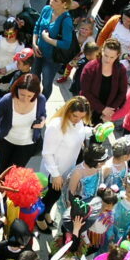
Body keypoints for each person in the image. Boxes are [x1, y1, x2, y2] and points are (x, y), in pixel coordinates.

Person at [38, 96, 92, 230]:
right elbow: (47, 153)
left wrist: (92, 131)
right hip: (54, 171)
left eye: (81, 117)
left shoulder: (78, 122)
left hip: (67, 169)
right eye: (75, 116)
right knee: (51, 196)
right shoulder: (56, 126)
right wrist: (55, 174)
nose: (78, 120)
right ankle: (39, 217)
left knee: (55, 196)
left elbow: (79, 133)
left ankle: (46, 213)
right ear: (68, 111)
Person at [0, 74, 47, 171]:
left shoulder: (41, 99)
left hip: (27, 146)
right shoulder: (7, 100)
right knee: (3, 169)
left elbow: (43, 114)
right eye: (22, 94)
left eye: (30, 96)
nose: (25, 99)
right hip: (6, 143)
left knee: (13, 173)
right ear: (16, 89)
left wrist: (42, 121)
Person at [32, 0, 74, 99]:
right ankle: (32, 99)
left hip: (52, 59)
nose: (51, 1)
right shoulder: (46, 9)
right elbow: (37, 26)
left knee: (46, 83)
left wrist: (47, 39)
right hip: (38, 52)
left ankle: (41, 102)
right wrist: (34, 44)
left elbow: (66, 44)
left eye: (55, 0)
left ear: (64, 4)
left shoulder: (66, 20)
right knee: (34, 78)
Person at [80, 38, 128, 125]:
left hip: (107, 114)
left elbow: (122, 93)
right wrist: (102, 108)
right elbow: (85, 91)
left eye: (112, 57)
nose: (108, 60)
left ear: (118, 55)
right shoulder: (90, 67)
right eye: (106, 55)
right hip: (88, 109)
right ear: (102, 51)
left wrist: (110, 111)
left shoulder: (121, 70)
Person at [96, 4, 130, 83]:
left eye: (128, 21)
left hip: (125, 64)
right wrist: (100, 52)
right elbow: (102, 36)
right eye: (124, 18)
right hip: (106, 58)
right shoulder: (115, 20)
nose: (125, 22)